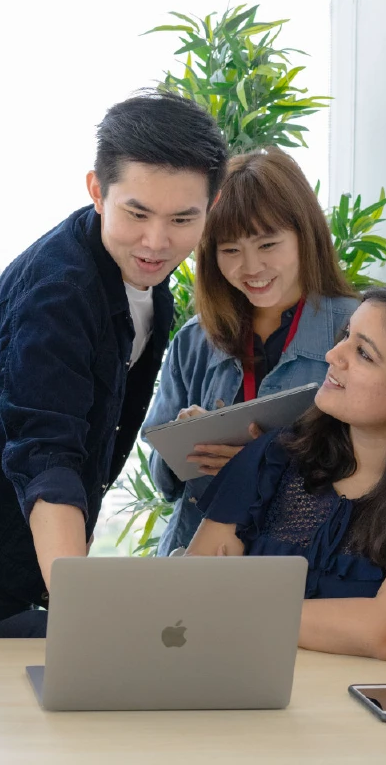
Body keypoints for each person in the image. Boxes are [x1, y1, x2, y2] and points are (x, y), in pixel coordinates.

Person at [0, 91, 229, 636]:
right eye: (137, 213)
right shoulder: (61, 293)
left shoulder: (145, 281)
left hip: (33, 556)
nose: (156, 242)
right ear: (97, 191)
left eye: (183, 219)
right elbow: (47, 455)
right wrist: (82, 613)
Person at [187, 285, 386, 661]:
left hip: (353, 702)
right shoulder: (277, 453)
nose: (332, 355)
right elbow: (194, 591)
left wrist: (236, 604)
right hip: (236, 673)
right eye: (346, 336)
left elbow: (385, 632)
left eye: (363, 354)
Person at [143, 148, 361, 555]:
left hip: (302, 565)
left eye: (268, 244)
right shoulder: (194, 340)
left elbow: (376, 470)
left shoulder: (355, 331)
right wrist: (187, 440)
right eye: (229, 251)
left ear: (305, 235)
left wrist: (268, 462)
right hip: (195, 556)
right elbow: (164, 482)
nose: (251, 268)